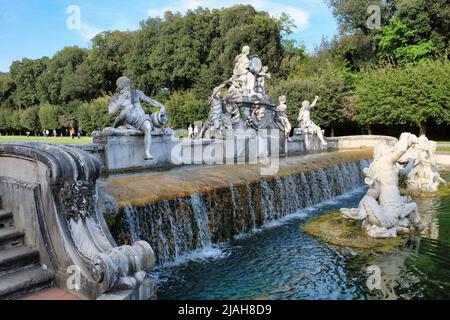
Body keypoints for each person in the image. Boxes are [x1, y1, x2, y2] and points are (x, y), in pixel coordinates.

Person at [108, 76, 166, 160]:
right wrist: (119, 103)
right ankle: (113, 127)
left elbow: (150, 100)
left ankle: (147, 152)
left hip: (140, 117)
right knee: (124, 113)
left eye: (128, 84)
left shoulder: (136, 93)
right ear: (120, 87)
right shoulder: (117, 98)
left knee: (148, 128)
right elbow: (111, 112)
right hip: (128, 118)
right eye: (125, 85)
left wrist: (161, 106)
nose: (128, 87)